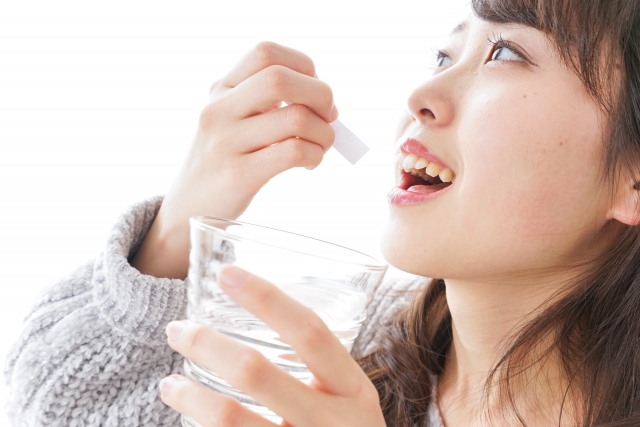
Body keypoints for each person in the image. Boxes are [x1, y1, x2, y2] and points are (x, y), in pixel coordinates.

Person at [6, 0, 640, 425]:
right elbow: (52, 404)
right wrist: (184, 220)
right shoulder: (357, 359)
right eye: (445, 57)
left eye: (507, 55)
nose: (419, 96)